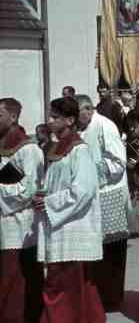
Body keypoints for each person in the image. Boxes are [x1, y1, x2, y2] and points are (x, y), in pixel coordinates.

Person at [34, 97, 105, 323]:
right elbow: (56, 183)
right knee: (71, 286)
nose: (50, 121)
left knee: (63, 286)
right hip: (59, 224)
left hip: (74, 227)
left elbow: (83, 190)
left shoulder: (79, 150)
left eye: (55, 117)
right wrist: (43, 193)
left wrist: (49, 203)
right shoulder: (56, 147)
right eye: (50, 116)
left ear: (70, 120)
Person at [74, 94, 130, 312]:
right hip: (96, 194)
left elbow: (118, 162)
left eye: (77, 114)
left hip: (111, 193)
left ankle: (112, 298)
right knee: (98, 250)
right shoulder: (85, 128)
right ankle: (100, 295)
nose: (75, 120)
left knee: (113, 250)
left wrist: (91, 168)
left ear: (88, 109)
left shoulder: (105, 126)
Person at [0, 98, 44, 322]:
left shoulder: (29, 149)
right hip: (3, 222)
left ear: (13, 117)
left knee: (18, 280)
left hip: (20, 226)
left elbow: (28, 190)